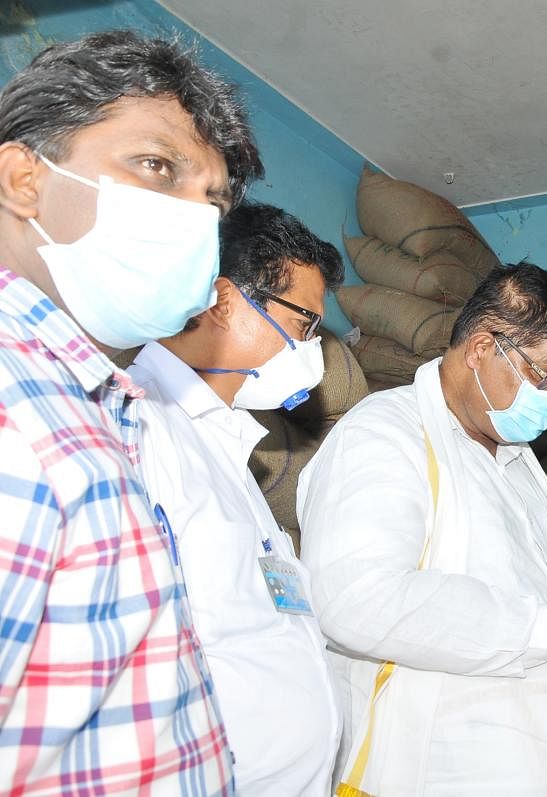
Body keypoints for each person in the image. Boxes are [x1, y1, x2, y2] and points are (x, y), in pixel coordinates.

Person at [0, 30, 262, 793]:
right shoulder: (13, 408)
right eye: (156, 167)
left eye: (211, 201)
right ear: (22, 178)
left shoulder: (87, 400)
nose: (193, 221)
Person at [298, 262, 547, 796]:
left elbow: (544, 592)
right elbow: (357, 599)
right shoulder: (383, 435)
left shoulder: (514, 456)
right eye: (544, 374)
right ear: (483, 348)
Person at [126, 202, 343, 795]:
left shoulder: (223, 442)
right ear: (225, 298)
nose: (310, 350)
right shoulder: (138, 428)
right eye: (304, 324)